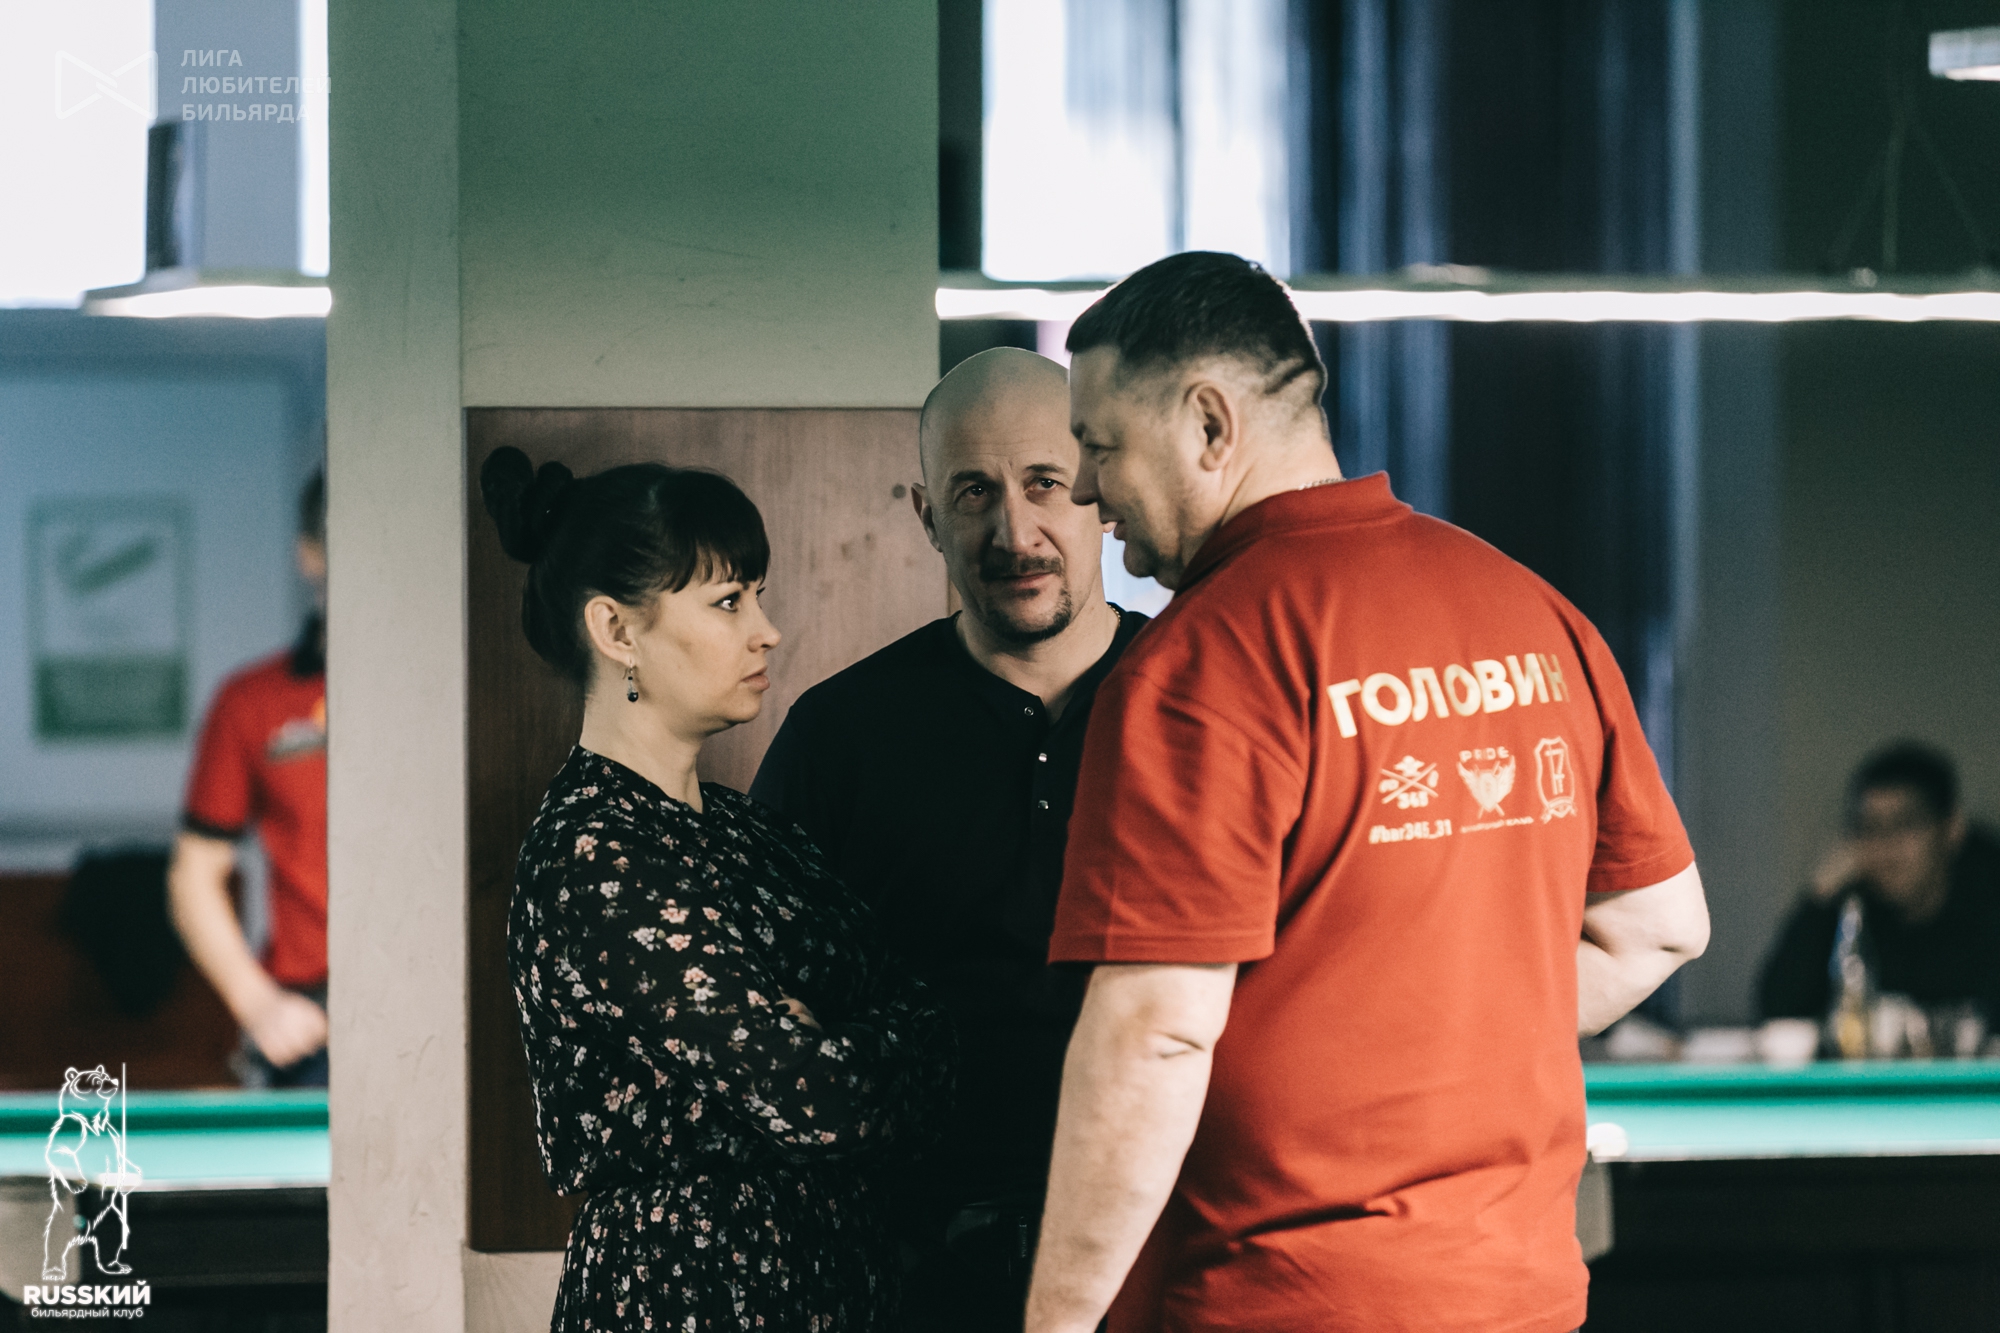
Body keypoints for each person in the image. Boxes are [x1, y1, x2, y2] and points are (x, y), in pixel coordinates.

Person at [1024, 252, 1711, 1333]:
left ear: (1208, 424)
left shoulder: (1200, 664)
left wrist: (1055, 1323)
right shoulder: (1534, 613)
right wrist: (1438, 1057)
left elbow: (1156, 1032)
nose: (1083, 488)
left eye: (1100, 446)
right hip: (1520, 1298)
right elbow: (1657, 929)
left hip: (1290, 1301)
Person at [479, 447, 952, 1332]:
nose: (766, 630)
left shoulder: (750, 831)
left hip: (839, 1289)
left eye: (758, 596)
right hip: (684, 1296)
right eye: (730, 601)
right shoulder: (593, 854)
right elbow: (815, 1099)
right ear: (617, 631)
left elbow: (928, 1012)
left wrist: (844, 1044)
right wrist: (836, 1051)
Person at [750, 347, 1150, 1331]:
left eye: (1044, 482)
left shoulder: (1205, 697)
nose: (1015, 531)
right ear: (927, 516)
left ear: (1098, 492)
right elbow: (763, 1016)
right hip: (915, 1276)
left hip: (1163, 1256)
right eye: (974, 492)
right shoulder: (841, 734)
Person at [170, 472, 331, 1087]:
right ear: (310, 555)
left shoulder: (456, 687)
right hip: (312, 1024)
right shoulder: (251, 701)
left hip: (454, 995)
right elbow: (194, 875)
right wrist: (259, 1004)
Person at [1758, 741, 2000, 1040]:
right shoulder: (1853, 905)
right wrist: (1820, 896)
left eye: (1905, 824)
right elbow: (1779, 1011)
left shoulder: (1990, 897)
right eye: (1870, 827)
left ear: (1952, 829)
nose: (1886, 844)